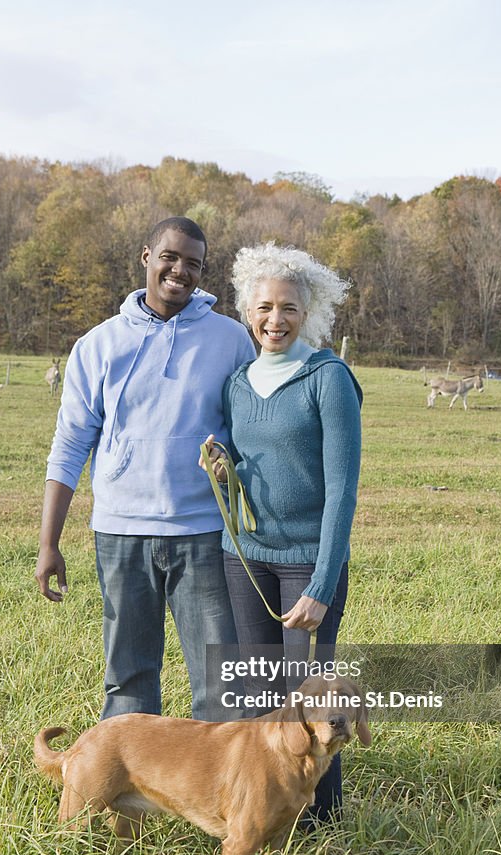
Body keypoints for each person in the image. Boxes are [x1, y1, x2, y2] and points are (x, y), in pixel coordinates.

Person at [35, 217, 256, 721]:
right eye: (170, 258)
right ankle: (120, 795)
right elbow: (70, 445)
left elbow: (248, 434)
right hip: (120, 534)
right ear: (146, 257)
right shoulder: (98, 345)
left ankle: (218, 797)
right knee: (128, 679)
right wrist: (49, 544)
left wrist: (231, 466)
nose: (180, 271)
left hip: (202, 532)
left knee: (222, 683)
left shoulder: (231, 340)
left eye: (193, 264)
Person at [204, 241, 362, 824]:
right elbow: (251, 462)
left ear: (309, 312)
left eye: (290, 308)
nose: (276, 319)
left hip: (307, 564)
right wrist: (225, 467)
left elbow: (342, 488)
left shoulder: (329, 378)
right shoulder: (238, 383)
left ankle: (323, 818)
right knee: (261, 693)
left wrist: (321, 583)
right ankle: (268, 808)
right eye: (266, 307)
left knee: (313, 698)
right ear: (249, 310)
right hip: (245, 560)